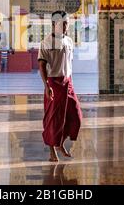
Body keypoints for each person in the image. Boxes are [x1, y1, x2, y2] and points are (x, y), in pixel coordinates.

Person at [37, 11, 83, 162]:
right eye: (61, 23)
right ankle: (52, 151)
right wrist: (46, 86)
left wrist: (71, 82)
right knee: (53, 119)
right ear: (53, 24)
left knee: (75, 116)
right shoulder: (46, 43)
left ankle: (60, 143)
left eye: (66, 23)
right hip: (53, 83)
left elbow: (68, 64)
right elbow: (42, 66)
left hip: (68, 83)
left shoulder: (69, 41)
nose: (65, 26)